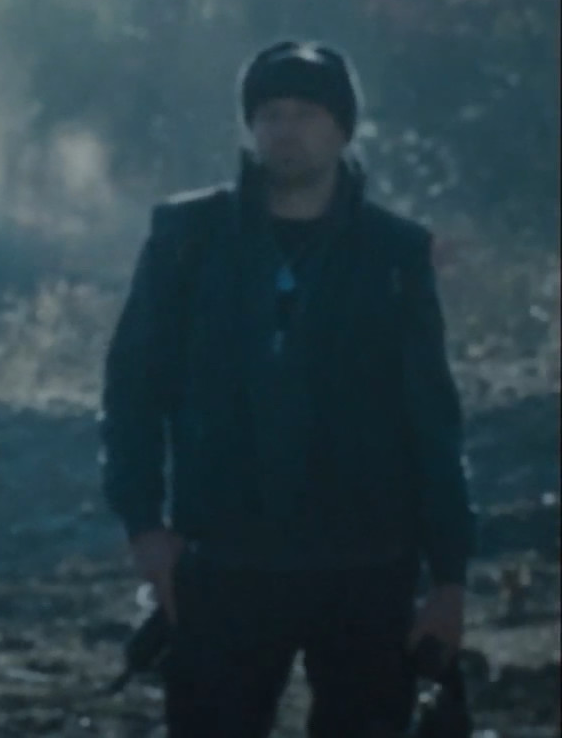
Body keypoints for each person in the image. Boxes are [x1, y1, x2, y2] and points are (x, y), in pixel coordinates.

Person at [100, 40, 474, 737]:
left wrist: (449, 578)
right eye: (271, 114)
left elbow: (431, 418)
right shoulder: (190, 239)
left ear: (341, 128)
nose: (286, 130)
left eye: (306, 113)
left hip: (367, 563)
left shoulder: (393, 253)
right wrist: (144, 525)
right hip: (223, 557)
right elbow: (132, 388)